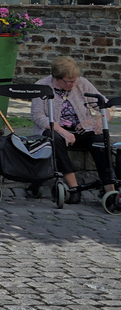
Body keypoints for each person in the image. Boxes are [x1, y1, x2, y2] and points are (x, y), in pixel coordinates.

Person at [31, 56, 116, 204]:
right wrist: (63, 132)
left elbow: (106, 105)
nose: (73, 84)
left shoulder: (81, 83)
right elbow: (38, 116)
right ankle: (73, 188)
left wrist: (99, 121)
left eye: (74, 80)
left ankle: (110, 190)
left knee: (101, 141)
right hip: (55, 129)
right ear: (56, 77)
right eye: (68, 81)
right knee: (55, 139)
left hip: (82, 129)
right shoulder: (42, 86)